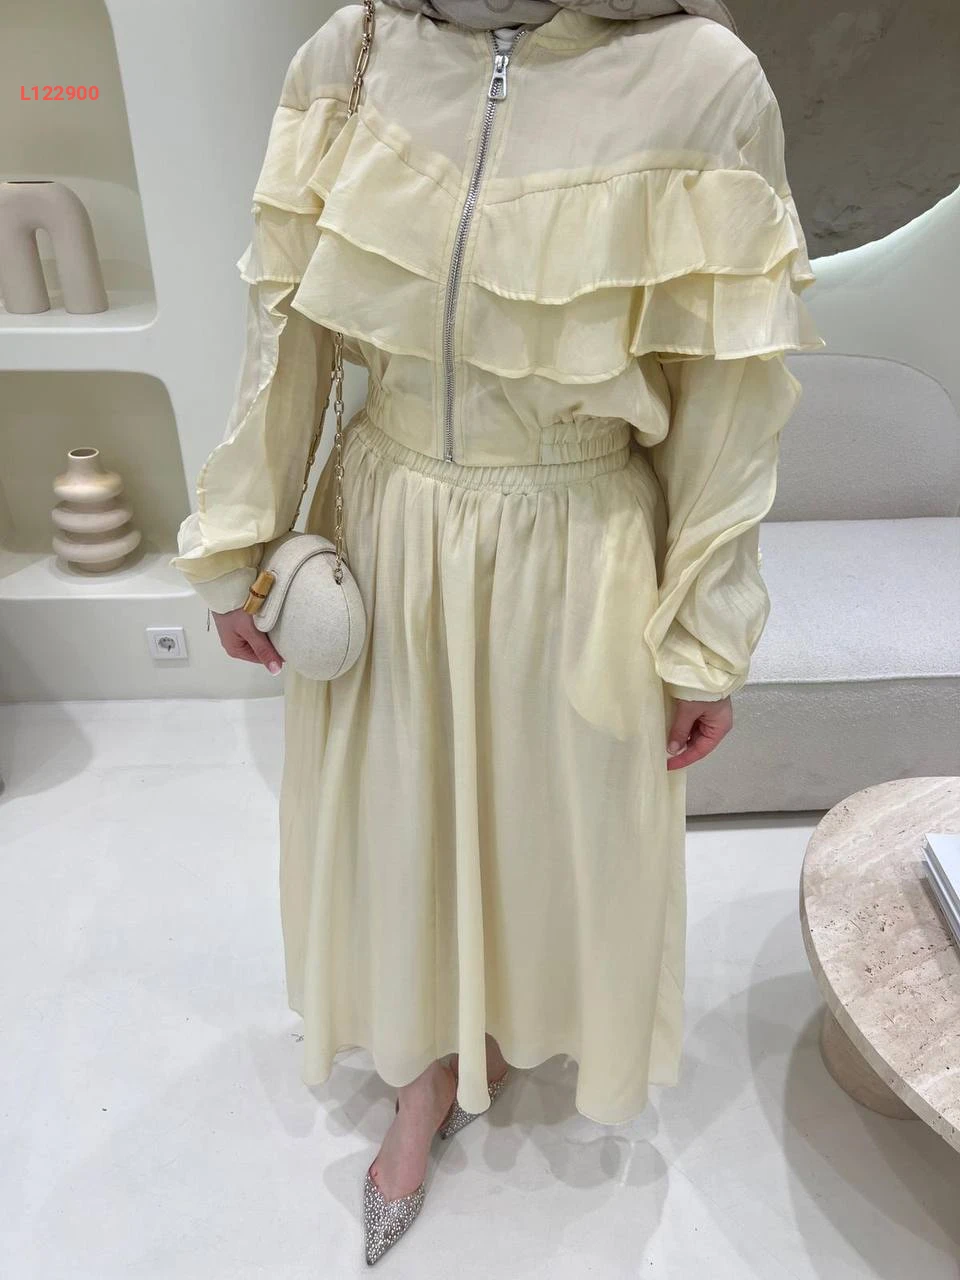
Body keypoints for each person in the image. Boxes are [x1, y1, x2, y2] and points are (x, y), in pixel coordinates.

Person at [171, 0, 825, 1264]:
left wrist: (706, 634)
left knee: (550, 822)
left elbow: (731, 403)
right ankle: (419, 1075)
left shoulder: (704, 79)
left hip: (580, 543)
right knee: (397, 820)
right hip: (388, 531)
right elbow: (284, 328)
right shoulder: (352, 50)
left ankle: (507, 1025)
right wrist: (237, 542)